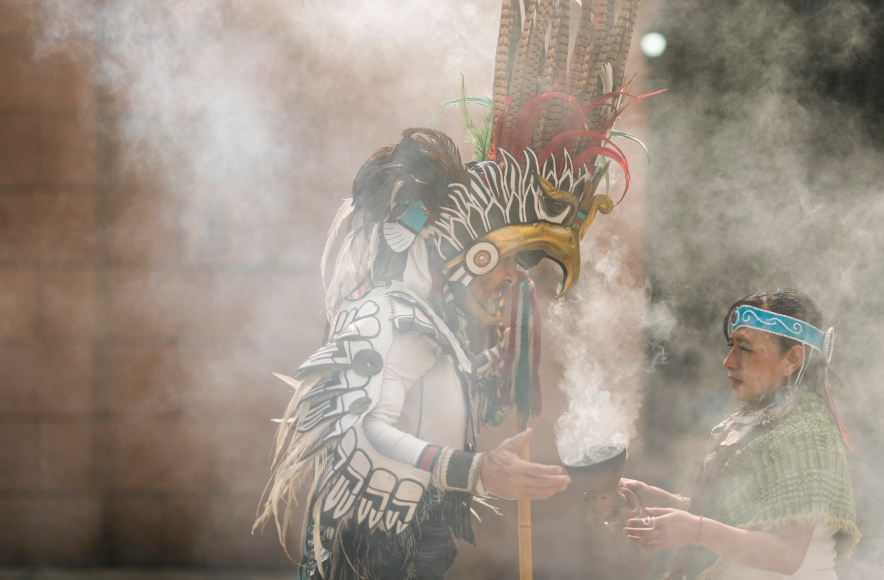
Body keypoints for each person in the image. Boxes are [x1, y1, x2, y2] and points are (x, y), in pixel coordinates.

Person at [254, 1, 652, 578]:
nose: (514, 281)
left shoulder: (440, 325)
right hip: (365, 556)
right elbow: (363, 428)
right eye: (510, 263)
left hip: (419, 543)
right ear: (472, 252)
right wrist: (475, 472)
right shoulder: (384, 314)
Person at [622, 289, 859, 580]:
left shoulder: (808, 432)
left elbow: (786, 554)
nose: (728, 361)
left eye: (745, 348)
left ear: (792, 360)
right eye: (731, 345)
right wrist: (661, 501)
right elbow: (741, 519)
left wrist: (695, 529)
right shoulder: (760, 421)